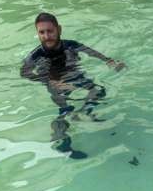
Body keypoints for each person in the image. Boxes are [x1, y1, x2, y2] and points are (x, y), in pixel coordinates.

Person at [20, 12, 126, 159]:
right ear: (37, 33)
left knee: (99, 91)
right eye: (41, 32)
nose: (46, 36)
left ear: (59, 29)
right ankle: (62, 141)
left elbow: (92, 53)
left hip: (75, 76)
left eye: (50, 31)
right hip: (54, 81)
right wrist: (49, 81)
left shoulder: (71, 45)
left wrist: (110, 61)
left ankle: (83, 113)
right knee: (65, 110)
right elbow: (24, 73)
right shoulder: (36, 55)